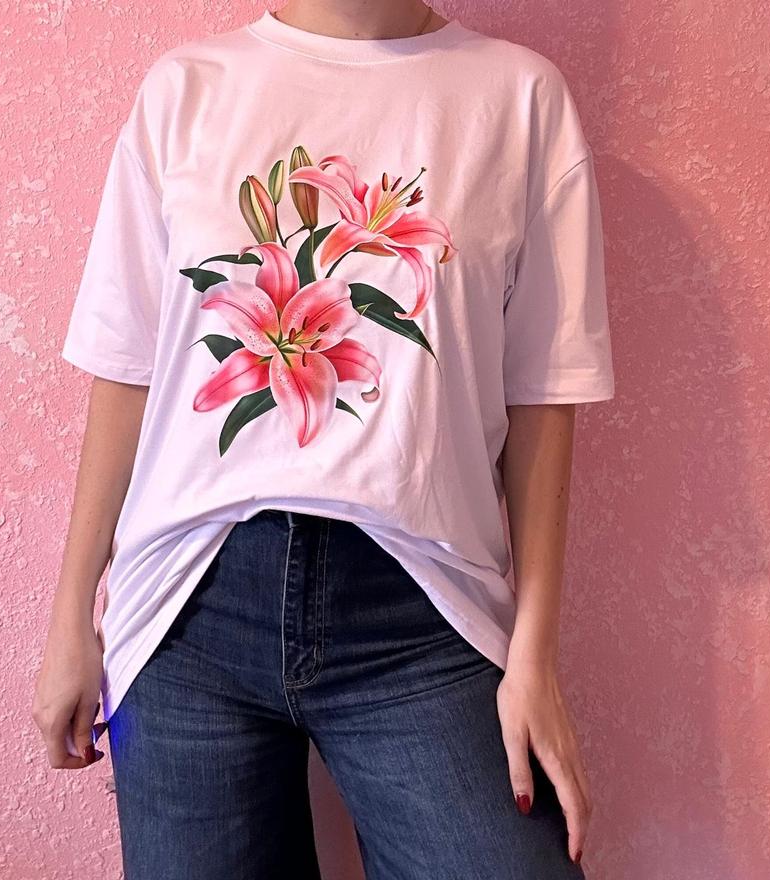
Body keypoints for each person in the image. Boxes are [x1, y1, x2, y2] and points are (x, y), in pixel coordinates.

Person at [32, 1, 615, 877]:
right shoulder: (187, 89)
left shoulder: (520, 98)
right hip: (186, 609)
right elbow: (127, 371)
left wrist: (534, 653)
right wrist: (71, 618)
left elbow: (542, 398)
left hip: (421, 609)